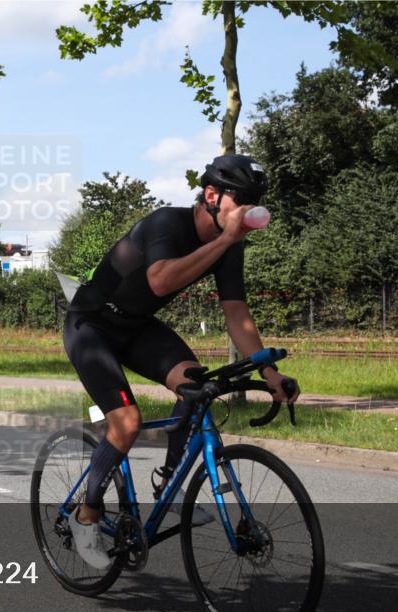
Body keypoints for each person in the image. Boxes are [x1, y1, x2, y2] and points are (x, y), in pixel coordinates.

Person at [63, 154, 301, 568]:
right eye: (241, 201)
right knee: (128, 422)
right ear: (212, 195)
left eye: (254, 203)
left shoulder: (230, 245)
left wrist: (268, 369)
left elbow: (237, 313)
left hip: (137, 326)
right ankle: (86, 516)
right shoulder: (166, 224)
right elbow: (160, 279)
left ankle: (168, 485)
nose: (248, 213)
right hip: (91, 326)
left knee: (196, 387)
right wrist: (225, 240)